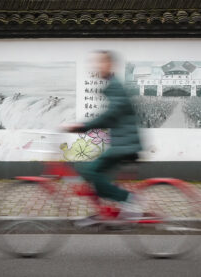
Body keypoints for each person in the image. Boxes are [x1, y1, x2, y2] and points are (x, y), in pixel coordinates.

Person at [63, 51, 143, 225]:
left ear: (110, 65)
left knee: (90, 171)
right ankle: (103, 211)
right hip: (123, 143)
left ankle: (127, 198)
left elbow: (110, 115)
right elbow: (112, 115)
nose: (97, 67)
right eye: (96, 63)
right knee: (93, 172)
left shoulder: (115, 86)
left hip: (124, 145)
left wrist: (83, 126)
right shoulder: (112, 85)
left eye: (101, 63)